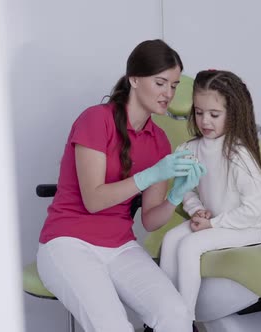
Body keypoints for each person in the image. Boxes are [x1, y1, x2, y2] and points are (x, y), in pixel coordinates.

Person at [36, 39, 206, 332]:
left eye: (174, 85)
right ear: (134, 79)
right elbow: (94, 200)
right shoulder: (95, 120)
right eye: (161, 82)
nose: (168, 93)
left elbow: (150, 220)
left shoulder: (159, 141)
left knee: (176, 314)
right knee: (112, 326)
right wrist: (149, 175)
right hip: (68, 243)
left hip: (120, 247)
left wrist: (175, 196)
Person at [159, 69, 261, 320]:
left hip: (244, 228)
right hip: (213, 222)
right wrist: (196, 209)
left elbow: (254, 210)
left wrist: (213, 223)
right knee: (170, 240)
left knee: (189, 246)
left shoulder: (239, 155)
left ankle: (184, 322)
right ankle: (165, 314)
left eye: (214, 114)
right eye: (199, 113)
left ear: (232, 114)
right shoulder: (191, 149)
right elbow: (185, 188)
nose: (205, 121)